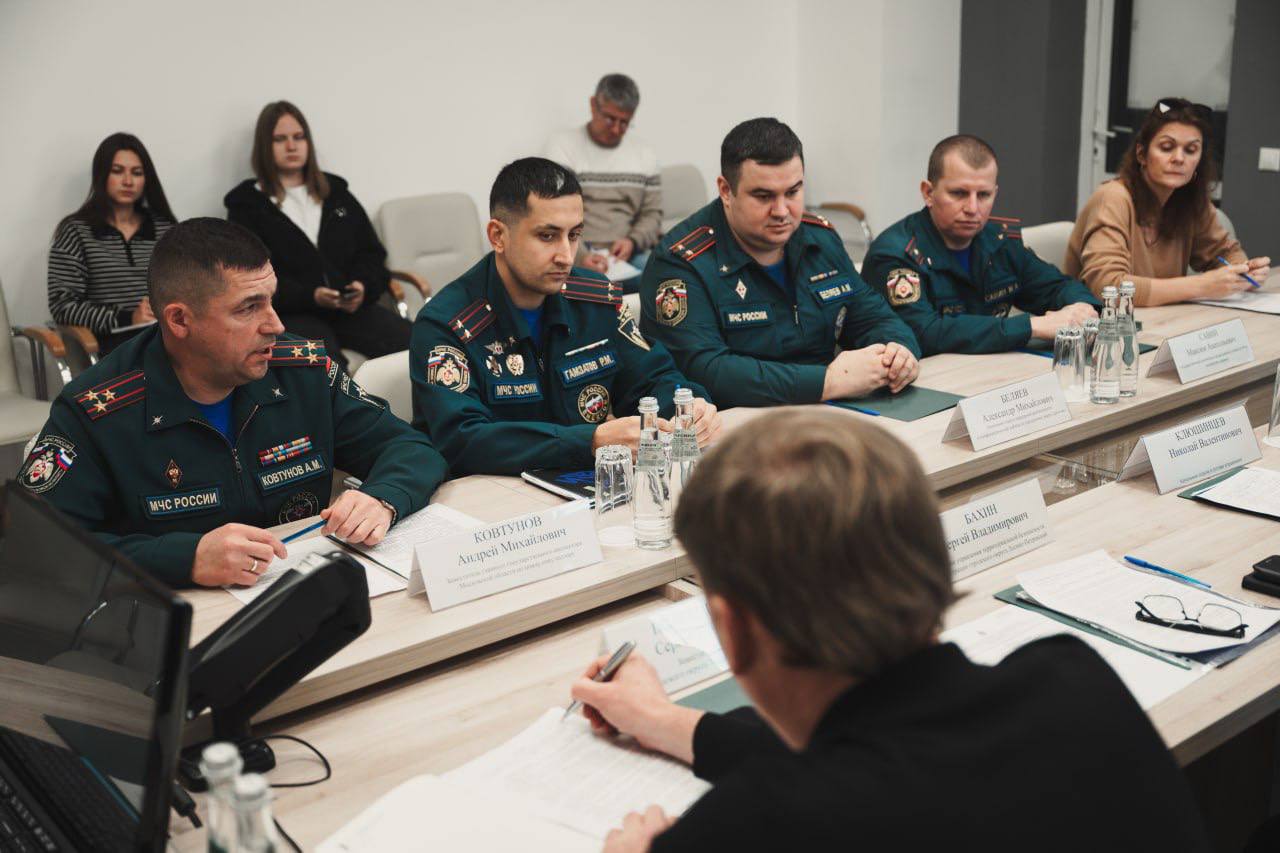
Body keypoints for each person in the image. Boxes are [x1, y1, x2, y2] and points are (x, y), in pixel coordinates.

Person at [570, 410, 1211, 852]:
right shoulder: (1072, 679)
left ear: (731, 629)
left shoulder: (756, 828)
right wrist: (661, 718)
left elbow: (834, 785)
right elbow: (889, 755)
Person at [20, 218, 447, 588]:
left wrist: (383, 497)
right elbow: (39, 550)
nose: (276, 325)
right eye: (248, 308)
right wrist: (185, 559)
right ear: (180, 320)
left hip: (306, 595)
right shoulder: (97, 410)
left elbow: (410, 448)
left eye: (272, 300)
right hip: (176, 621)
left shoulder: (303, 372)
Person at [411, 157, 719, 477]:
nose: (566, 256)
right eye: (547, 236)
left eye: (573, 235)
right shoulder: (447, 324)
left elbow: (654, 378)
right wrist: (590, 441)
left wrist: (688, 407)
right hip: (492, 500)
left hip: (582, 487)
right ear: (497, 236)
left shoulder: (597, 298)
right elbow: (462, 442)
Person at [639, 118, 921, 408]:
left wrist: (898, 352)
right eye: (763, 196)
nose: (782, 211)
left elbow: (873, 315)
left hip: (829, 410)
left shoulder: (819, 238)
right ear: (726, 190)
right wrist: (828, 381)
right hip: (738, 425)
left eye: (793, 192)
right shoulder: (680, 262)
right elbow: (705, 370)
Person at [862, 135, 1100, 356]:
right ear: (928, 192)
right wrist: (1031, 326)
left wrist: (1082, 310)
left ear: (995, 193)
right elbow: (925, 333)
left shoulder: (998, 242)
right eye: (959, 193)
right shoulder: (894, 255)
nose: (972, 208)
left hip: (988, 373)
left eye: (984, 195)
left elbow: (1057, 287)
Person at [225, 100, 412, 370]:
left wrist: (362, 287)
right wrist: (311, 296)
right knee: (327, 369)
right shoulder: (247, 206)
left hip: (349, 309)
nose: (292, 146)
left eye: (298, 137)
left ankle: (427, 414)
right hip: (291, 314)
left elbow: (371, 253)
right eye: (280, 139)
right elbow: (250, 278)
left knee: (419, 344)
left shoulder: (336, 193)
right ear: (265, 147)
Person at [1065, 98, 1270, 306]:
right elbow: (1108, 288)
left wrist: (1243, 271)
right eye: (1166, 147)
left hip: (1160, 322)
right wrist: (1201, 286)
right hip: (1102, 328)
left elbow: (1224, 253)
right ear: (1142, 154)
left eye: (1190, 150)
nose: (1179, 158)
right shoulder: (1113, 198)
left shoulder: (1189, 199)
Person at [48, 133, 177, 355]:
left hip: (169, 336)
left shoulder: (165, 228)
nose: (128, 181)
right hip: (111, 347)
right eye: (117, 171)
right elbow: (63, 305)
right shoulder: (76, 231)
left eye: (136, 173)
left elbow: (187, 285)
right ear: (101, 175)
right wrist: (127, 317)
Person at [544, 73, 661, 292]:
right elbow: (553, 212)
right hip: (576, 251)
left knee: (667, 277)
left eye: (624, 123)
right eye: (610, 119)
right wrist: (581, 257)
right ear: (593, 105)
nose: (616, 129)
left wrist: (633, 241)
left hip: (627, 256)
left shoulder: (645, 154)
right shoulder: (563, 147)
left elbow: (652, 214)